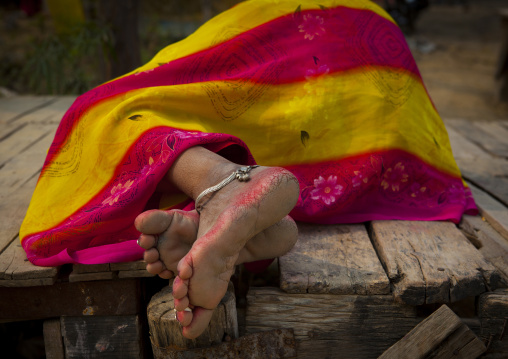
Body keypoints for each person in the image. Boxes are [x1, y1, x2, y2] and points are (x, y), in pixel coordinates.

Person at [20, 0, 477, 339]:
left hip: (302, 33)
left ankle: (217, 182)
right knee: (200, 116)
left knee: (99, 110)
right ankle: (226, 213)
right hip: (391, 99)